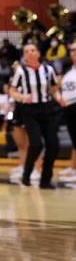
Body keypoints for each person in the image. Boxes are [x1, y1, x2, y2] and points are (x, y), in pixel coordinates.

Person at [9, 43, 63, 188]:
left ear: (38, 53)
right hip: (30, 111)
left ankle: (45, 180)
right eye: (26, 51)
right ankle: (27, 173)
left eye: (33, 50)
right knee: (36, 144)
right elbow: (12, 91)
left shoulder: (48, 69)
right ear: (24, 56)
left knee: (54, 145)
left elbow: (53, 89)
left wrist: (59, 98)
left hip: (47, 109)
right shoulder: (20, 71)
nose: (30, 53)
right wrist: (22, 97)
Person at [55, 41, 76, 184]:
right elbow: (55, 88)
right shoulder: (68, 71)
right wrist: (59, 98)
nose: (73, 52)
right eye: (72, 50)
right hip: (68, 108)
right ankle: (73, 168)